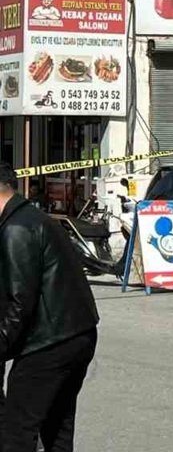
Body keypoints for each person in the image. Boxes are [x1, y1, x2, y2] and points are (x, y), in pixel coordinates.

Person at [0, 162, 100, 452]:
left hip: (48, 344)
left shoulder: (16, 229)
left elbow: (19, 302)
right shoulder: (35, 218)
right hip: (77, 335)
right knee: (57, 428)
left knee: (16, 432)